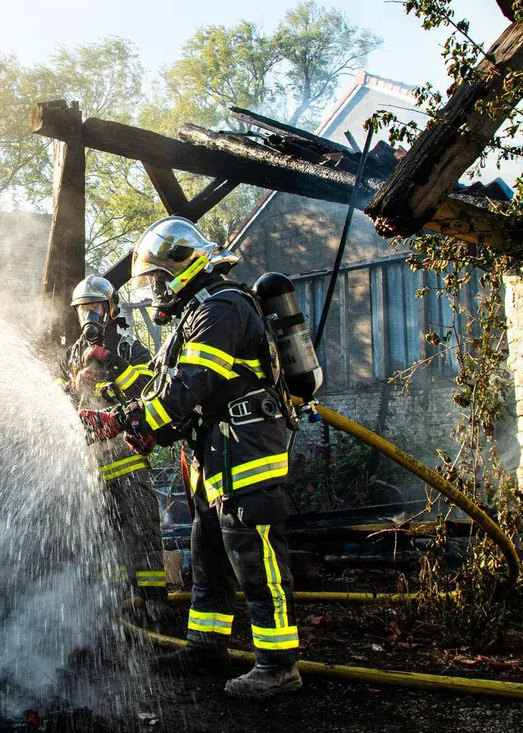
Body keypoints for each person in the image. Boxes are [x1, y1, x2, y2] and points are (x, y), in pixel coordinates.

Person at [78, 217, 302, 699]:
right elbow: (172, 395)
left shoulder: (221, 307)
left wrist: (123, 422)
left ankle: (279, 665)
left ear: (182, 267)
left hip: (246, 450)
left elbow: (187, 389)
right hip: (212, 455)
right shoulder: (195, 312)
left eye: (157, 279)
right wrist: (136, 422)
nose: (155, 290)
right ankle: (206, 646)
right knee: (208, 555)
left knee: (254, 553)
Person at [63, 275, 169, 615]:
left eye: (96, 307)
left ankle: (154, 604)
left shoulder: (127, 347)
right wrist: (72, 386)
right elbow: (59, 403)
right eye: (83, 310)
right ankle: (116, 605)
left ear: (110, 309)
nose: (89, 316)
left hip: (128, 455)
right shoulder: (72, 355)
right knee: (105, 535)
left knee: (143, 531)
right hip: (92, 461)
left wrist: (111, 363)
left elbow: (148, 390)